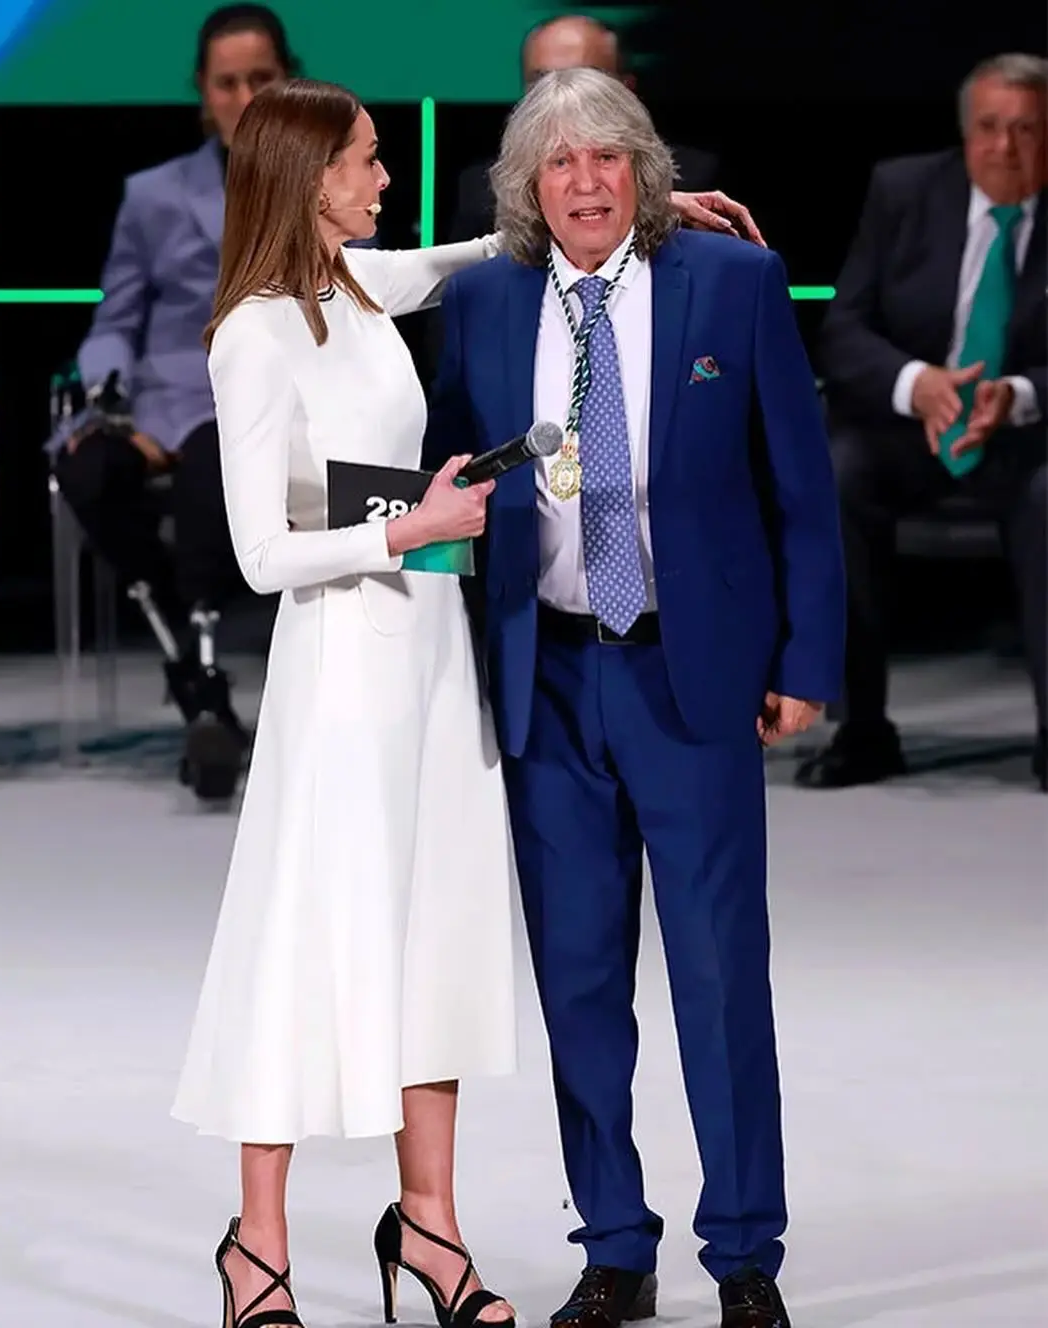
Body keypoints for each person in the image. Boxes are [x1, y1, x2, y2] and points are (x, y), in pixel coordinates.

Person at [169, 76, 752, 1328]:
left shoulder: (355, 285)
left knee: (428, 934)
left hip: (433, 661)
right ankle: (254, 1248)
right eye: (368, 163)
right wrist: (413, 523)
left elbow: (478, 252)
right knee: (306, 938)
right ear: (306, 174)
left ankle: (427, 1227)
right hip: (342, 677)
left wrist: (643, 208)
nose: (385, 182)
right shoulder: (254, 329)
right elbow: (262, 552)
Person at [426, 69, 845, 1328]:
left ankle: (745, 1252)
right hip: (548, 676)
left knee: (722, 972)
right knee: (580, 977)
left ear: (645, 171)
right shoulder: (486, 300)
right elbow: (450, 480)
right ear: (527, 187)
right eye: (560, 164)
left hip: (692, 669)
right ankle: (614, 1240)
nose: (588, 181)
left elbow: (803, 496)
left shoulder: (736, 283)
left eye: (609, 156)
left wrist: (808, 662)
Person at [49, 5, 313, 802]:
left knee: (212, 475)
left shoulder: (322, 181)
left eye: (260, 80)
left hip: (261, 396)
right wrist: (109, 395)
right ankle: (193, 669)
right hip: (156, 395)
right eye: (227, 83)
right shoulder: (153, 194)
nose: (244, 96)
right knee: (87, 471)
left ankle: (198, 680)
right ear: (204, 93)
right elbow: (116, 318)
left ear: (285, 81)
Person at [796, 52, 1047, 792]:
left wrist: (1017, 395)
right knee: (837, 476)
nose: (1005, 148)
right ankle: (859, 728)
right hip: (907, 428)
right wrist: (920, 386)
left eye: (1028, 130)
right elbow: (843, 330)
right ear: (966, 131)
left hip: (1028, 433)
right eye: (990, 128)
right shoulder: (905, 190)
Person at [447, 14, 720, 244]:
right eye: (541, 82)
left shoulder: (694, 180)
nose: (560, 95)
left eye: (583, 79)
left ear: (626, 88)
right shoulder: (482, 191)